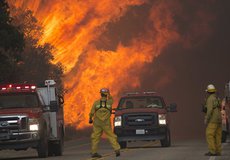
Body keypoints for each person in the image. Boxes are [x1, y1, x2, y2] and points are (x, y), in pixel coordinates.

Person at [89, 88, 120, 158]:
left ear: (100, 94)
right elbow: (111, 98)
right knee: (111, 136)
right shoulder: (109, 102)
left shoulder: (96, 103)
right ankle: (117, 149)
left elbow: (92, 112)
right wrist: (109, 93)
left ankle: (94, 152)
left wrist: (90, 119)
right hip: (106, 123)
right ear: (106, 95)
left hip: (97, 123)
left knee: (95, 137)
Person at [204, 84, 222, 156]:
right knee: (218, 135)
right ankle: (218, 151)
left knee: (209, 134)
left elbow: (209, 110)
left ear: (208, 92)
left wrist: (206, 119)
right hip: (219, 119)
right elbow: (219, 107)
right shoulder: (217, 98)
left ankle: (212, 151)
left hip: (213, 120)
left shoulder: (210, 99)